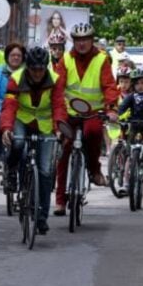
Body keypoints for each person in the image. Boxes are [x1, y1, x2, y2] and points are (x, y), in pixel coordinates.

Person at [53, 22, 120, 216]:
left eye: (86, 39)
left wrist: (111, 109)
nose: (82, 44)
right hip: (69, 111)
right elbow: (58, 87)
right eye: (78, 40)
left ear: (92, 40)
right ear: (74, 41)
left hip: (93, 111)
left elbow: (109, 86)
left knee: (93, 133)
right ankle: (59, 200)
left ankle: (94, 170)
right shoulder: (66, 59)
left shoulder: (101, 59)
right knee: (64, 147)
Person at [0, 47, 67, 234]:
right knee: (18, 143)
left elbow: (59, 106)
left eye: (40, 69)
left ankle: (41, 217)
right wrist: (7, 128)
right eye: (33, 69)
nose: (37, 73)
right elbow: (9, 106)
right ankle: (12, 169)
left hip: (45, 123)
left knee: (46, 170)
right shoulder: (16, 78)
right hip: (22, 119)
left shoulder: (55, 79)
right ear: (27, 67)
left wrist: (59, 129)